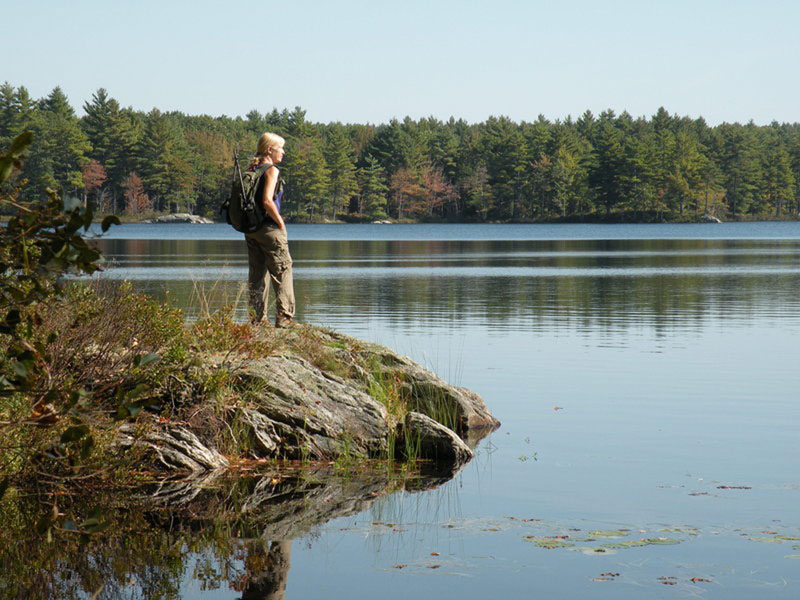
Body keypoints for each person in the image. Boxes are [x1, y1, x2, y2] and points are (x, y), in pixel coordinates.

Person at [245, 132, 296, 328]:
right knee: (283, 269)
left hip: (251, 228)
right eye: (280, 148)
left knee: (257, 274)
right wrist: (280, 222)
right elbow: (267, 200)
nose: (283, 152)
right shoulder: (271, 170)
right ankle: (285, 317)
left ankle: (257, 320)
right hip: (268, 228)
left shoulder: (253, 169)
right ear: (269, 150)